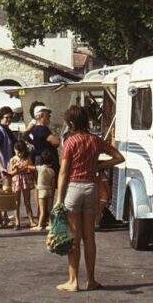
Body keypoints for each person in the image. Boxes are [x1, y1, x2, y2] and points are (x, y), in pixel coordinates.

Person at [54, 106, 124, 292]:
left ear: (72, 123)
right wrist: (99, 164)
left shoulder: (70, 142)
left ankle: (73, 281)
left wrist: (59, 199)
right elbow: (119, 157)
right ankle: (91, 280)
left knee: (74, 238)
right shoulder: (95, 140)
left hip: (74, 188)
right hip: (91, 188)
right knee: (89, 237)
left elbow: (63, 172)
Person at [0, 106, 17, 227]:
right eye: (7, 117)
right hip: (3, 167)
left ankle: (4, 217)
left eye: (10, 117)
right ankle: (2, 218)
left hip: (8, 166)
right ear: (1, 118)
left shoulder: (6, 129)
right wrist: (1, 167)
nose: (9, 120)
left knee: (5, 193)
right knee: (3, 193)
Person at [8, 140, 37, 229]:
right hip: (16, 180)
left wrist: (27, 168)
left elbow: (32, 169)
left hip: (25, 180)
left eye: (21, 152)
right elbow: (11, 173)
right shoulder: (12, 159)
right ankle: (17, 222)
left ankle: (31, 220)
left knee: (27, 202)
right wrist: (15, 169)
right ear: (14, 150)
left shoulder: (27, 158)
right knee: (16, 203)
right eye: (18, 152)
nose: (20, 154)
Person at [36, 148, 57, 230]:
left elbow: (29, 167)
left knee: (42, 211)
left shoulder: (40, 168)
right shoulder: (52, 171)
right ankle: (51, 224)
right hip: (49, 191)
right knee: (49, 209)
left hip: (41, 191)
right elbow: (53, 184)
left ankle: (39, 225)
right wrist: (52, 193)